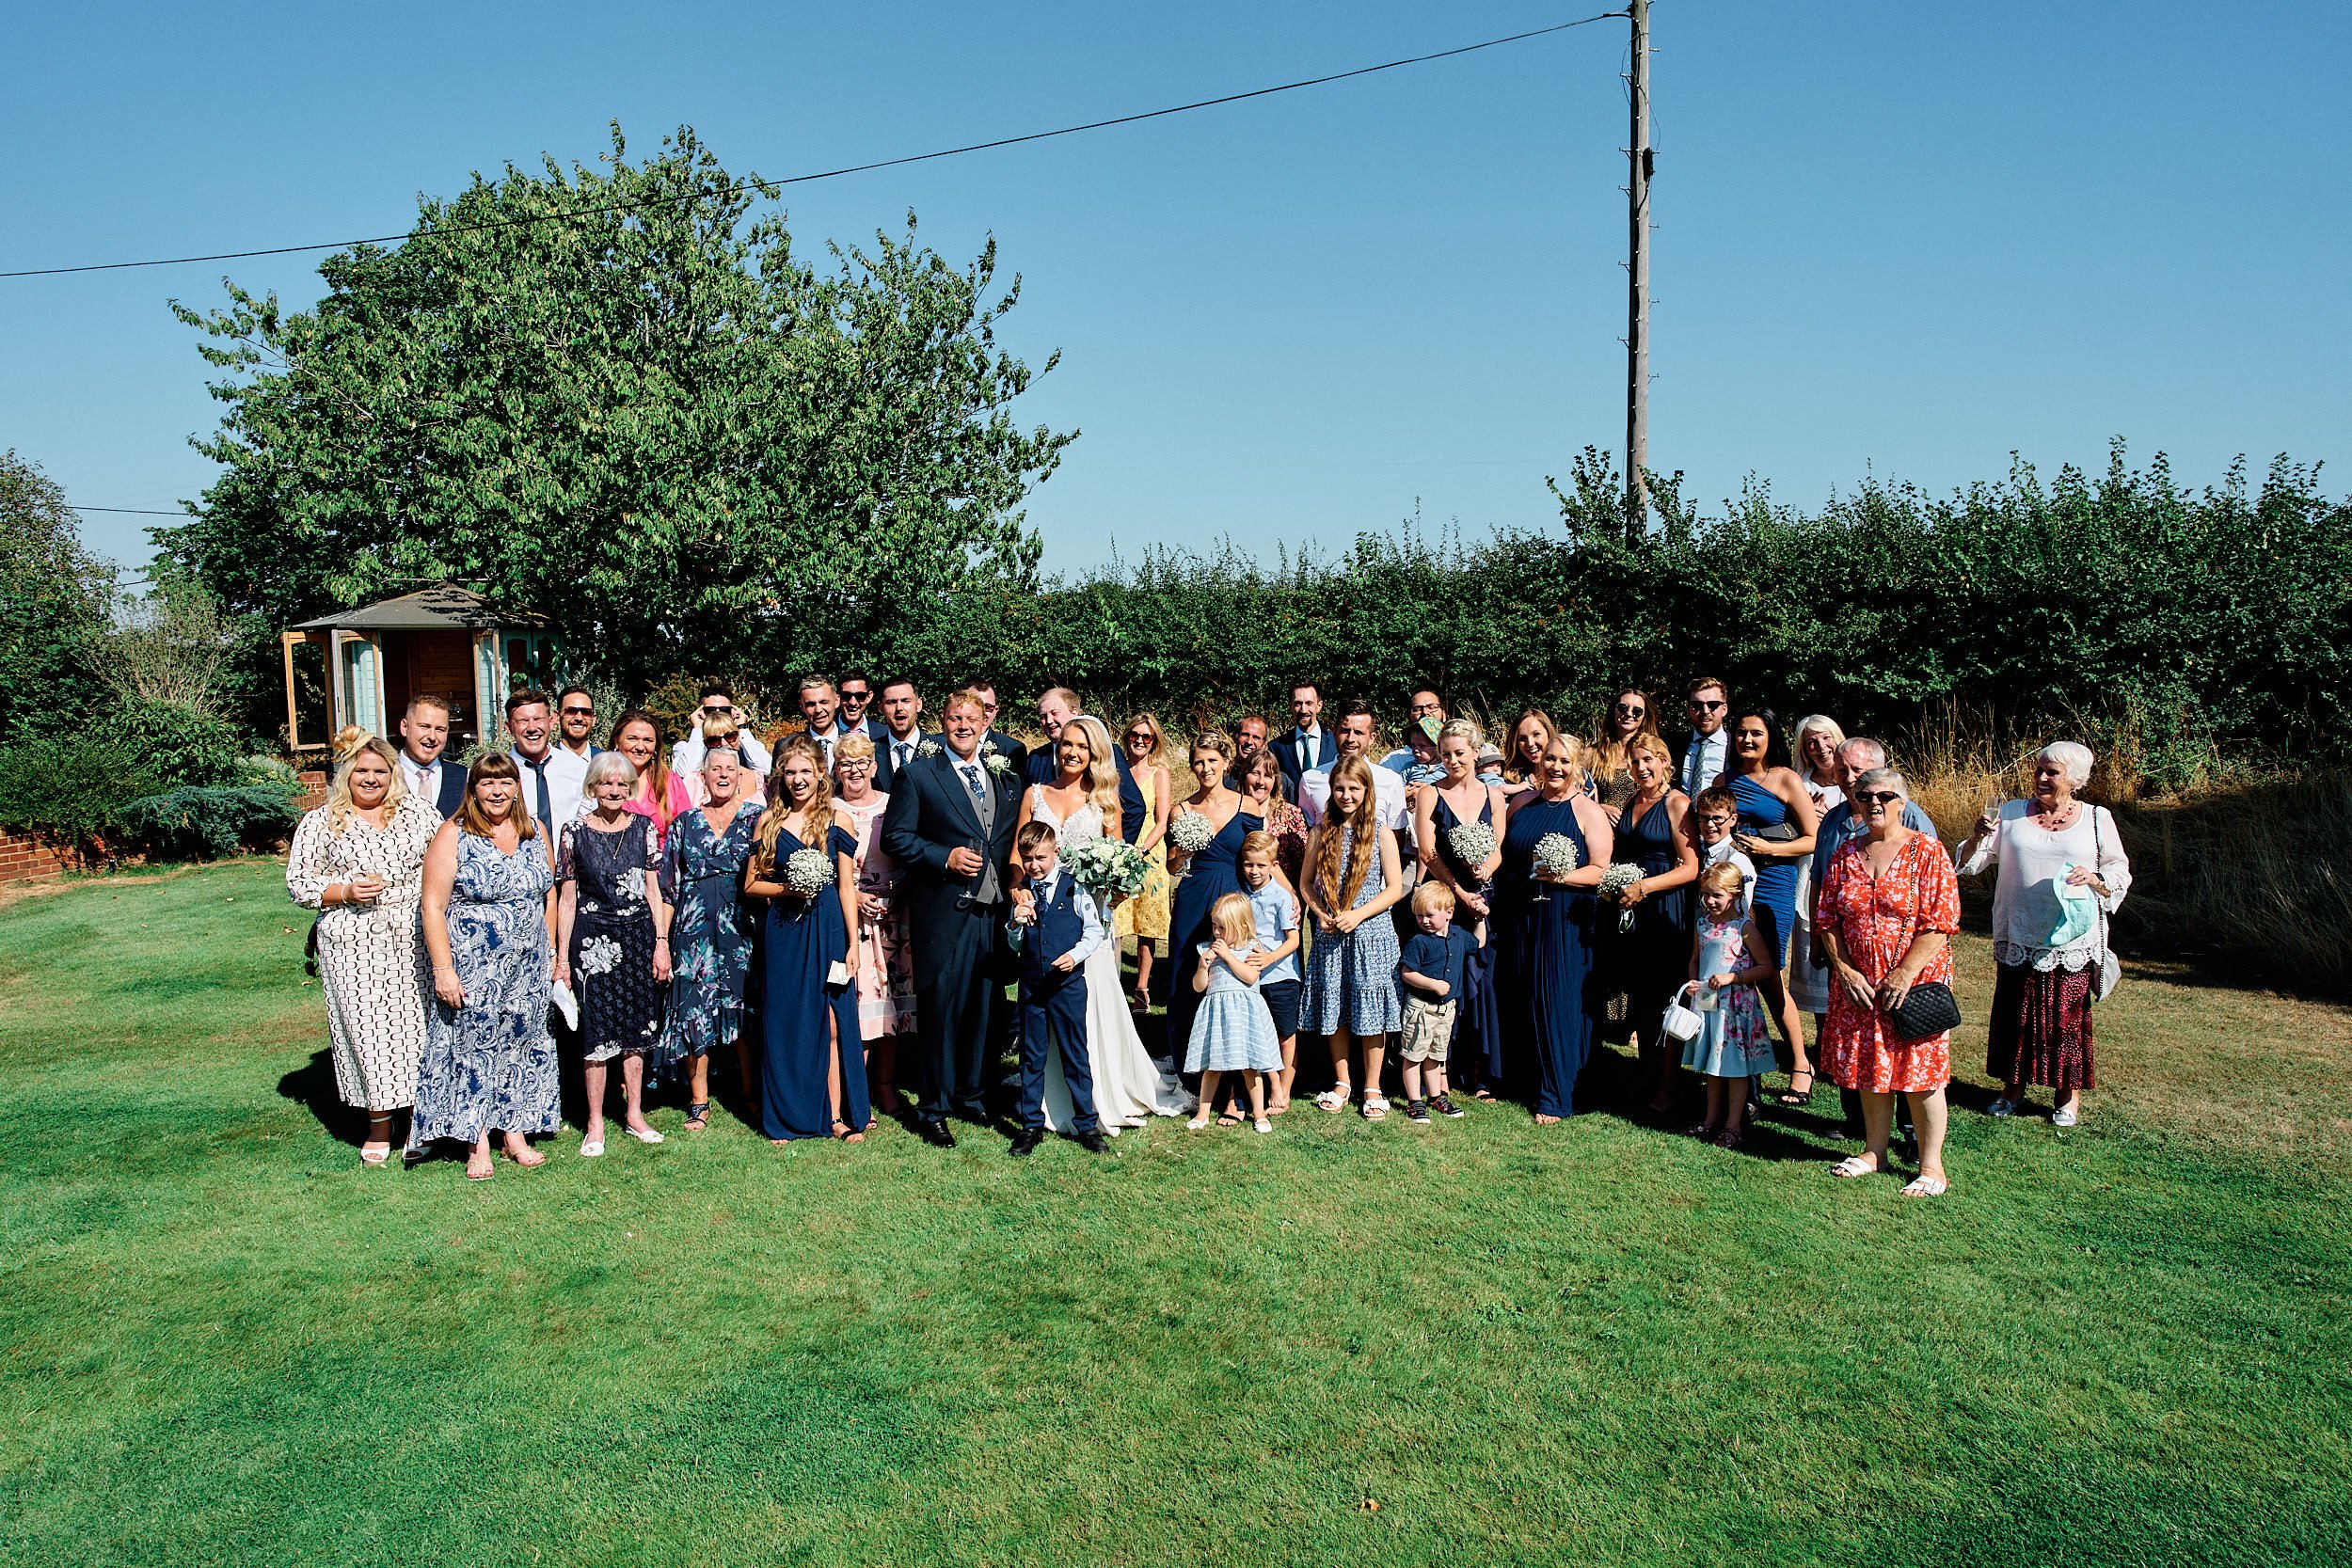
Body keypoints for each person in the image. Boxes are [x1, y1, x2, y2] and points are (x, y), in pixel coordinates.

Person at [1012, 717, 1190, 1132]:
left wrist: (1113, 893)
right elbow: (1017, 855)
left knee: (1091, 1004)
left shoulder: (1105, 801)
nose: (1072, 752)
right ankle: (1042, 1094)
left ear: (1095, 754)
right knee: (1043, 1002)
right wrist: (1019, 889)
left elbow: (1120, 860)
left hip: (1088, 919)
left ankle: (1098, 1092)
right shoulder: (1034, 793)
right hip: (1041, 919)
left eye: (1082, 746)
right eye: (1067, 744)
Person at [1953, 740, 2132, 1128]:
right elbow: (1971, 864)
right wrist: (1974, 835)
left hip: (2072, 935)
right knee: (2015, 1014)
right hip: (2019, 930)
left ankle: (2067, 1096)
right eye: (2039, 769)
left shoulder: (2097, 819)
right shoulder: (2012, 813)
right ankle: (2012, 1089)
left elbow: (2119, 870)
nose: (2042, 777)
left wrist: (2095, 878)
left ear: (2076, 779)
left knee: (2066, 1018)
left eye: (2052, 771)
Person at [284, 736, 441, 1164]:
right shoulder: (321, 822)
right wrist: (344, 891)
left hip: (413, 937)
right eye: (361, 771)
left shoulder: (420, 814)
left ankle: (418, 1120)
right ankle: (378, 1123)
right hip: (352, 941)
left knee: (414, 1028)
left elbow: (446, 864)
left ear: (392, 775)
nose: (370, 779)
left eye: (379, 771)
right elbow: (299, 883)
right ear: (346, 775)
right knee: (367, 1031)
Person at [880, 688, 1024, 1148]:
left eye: (971, 718)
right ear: (942, 722)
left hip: (991, 912)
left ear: (986, 724)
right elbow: (896, 838)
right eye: (954, 718)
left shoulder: (1004, 779)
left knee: (983, 1009)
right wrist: (944, 857)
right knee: (941, 1010)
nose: (963, 725)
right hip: (943, 913)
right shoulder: (919, 775)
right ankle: (934, 1106)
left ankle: (971, 1093)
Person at [412, 752, 561, 1180]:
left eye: (506, 782)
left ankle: (515, 1132)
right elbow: (433, 905)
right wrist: (443, 969)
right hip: (475, 963)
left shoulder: (536, 832)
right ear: (473, 789)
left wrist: (549, 951)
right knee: (473, 1047)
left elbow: (546, 894)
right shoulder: (453, 834)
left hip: (528, 965)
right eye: (487, 783)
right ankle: (476, 1139)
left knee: (522, 1044)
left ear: (517, 787)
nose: (497, 791)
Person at [1816, 768, 1960, 1196]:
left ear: (1903, 802)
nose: (1873, 802)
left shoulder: (1928, 852)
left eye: (1884, 795)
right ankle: (1874, 1151)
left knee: (1920, 1072)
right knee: (1869, 1068)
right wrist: (1845, 970)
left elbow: (1942, 921)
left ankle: (1932, 1167)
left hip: (1913, 983)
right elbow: (1827, 918)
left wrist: (1904, 973)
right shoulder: (1844, 854)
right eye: (1865, 795)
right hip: (1859, 984)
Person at [1806, 736, 1939, 1134]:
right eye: (1843, 771)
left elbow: (1935, 905)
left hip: (1903, 963)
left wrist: (1908, 967)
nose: (1849, 779)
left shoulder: (1912, 820)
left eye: (1858, 772)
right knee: (1854, 1038)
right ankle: (1859, 1124)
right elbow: (1821, 885)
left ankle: (1911, 1129)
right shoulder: (1833, 821)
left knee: (1906, 1043)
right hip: (1849, 956)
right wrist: (1824, 946)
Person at [744, 736, 866, 1143]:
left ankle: (835, 1115)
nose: (798, 780)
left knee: (832, 1023)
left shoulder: (838, 820)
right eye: (790, 772)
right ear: (782, 776)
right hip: (785, 932)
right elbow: (751, 885)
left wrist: (852, 943)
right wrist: (788, 891)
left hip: (829, 928)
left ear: (820, 775)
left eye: (805, 772)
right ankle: (785, 1116)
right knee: (786, 1021)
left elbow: (847, 887)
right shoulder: (769, 822)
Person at [553, 752, 671, 1157]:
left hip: (638, 936)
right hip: (592, 943)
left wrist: (661, 942)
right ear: (592, 787)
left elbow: (654, 890)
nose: (615, 791)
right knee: (596, 1032)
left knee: (636, 1031)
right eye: (606, 783)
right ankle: (595, 1122)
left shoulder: (645, 829)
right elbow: (567, 899)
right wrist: (562, 958)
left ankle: (635, 1114)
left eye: (622, 784)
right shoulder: (573, 832)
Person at [1497, 735, 1615, 1123]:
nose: (1555, 768)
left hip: (1565, 918)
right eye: (1550, 759)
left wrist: (1560, 876)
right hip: (1520, 914)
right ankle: (1525, 1080)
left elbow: (1600, 869)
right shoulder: (1521, 803)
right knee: (1523, 994)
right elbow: (1503, 853)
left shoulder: (1587, 812)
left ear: (1577, 766)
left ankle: (1558, 1093)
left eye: (1564, 761)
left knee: (1557, 999)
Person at [659, 736, 761, 1131]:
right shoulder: (685, 822)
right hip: (693, 929)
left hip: (742, 927)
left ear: (741, 777)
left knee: (745, 1010)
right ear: (703, 776)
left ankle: (751, 1095)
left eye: (730, 770)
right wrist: (663, 940)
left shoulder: (757, 818)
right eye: (715, 769)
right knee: (693, 1012)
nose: (723, 775)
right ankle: (699, 1101)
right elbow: (668, 885)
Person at [1300, 754, 1407, 1118]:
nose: (1346, 795)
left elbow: (1394, 889)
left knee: (1370, 1009)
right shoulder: (1320, 831)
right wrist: (1321, 915)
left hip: (1371, 931)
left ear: (1366, 790)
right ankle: (1342, 1081)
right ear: (1330, 790)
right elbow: (1305, 884)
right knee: (1337, 1005)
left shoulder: (1381, 833)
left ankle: (1373, 1085)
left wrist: (1357, 915)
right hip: (1331, 931)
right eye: (1339, 788)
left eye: (1354, 788)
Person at [1604, 732, 1701, 1111]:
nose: (1642, 768)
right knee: (1642, 996)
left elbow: (1692, 867)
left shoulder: (1677, 803)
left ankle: (1668, 1085)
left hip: (1666, 908)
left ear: (1665, 762)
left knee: (1666, 996)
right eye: (1635, 761)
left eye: (1649, 760)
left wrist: (1644, 887)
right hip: (1634, 911)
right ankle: (1647, 1074)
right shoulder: (1631, 801)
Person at [1724, 708, 1820, 1090]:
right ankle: (1744, 1062)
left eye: (1756, 734)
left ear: (1769, 738)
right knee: (1735, 967)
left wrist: (1769, 848)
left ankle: (1800, 1063)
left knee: (1769, 973)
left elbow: (1813, 837)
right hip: (1734, 881)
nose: (1748, 740)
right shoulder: (1723, 779)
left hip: (1775, 881)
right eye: (1742, 733)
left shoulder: (1785, 779)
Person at [1412, 720, 1507, 1101]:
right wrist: (1459, 893)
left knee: (1482, 980)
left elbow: (1499, 846)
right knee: (1447, 978)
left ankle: (1481, 1071)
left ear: (1475, 751)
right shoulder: (1429, 794)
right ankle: (1441, 1069)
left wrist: (1487, 870)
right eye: (1446, 754)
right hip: (1447, 901)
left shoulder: (1494, 795)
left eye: (1459, 753)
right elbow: (1426, 852)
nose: (1452, 761)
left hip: (1486, 898)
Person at [1006, 820, 1108, 1155]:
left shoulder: (1074, 887)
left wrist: (1075, 955)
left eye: (1041, 858)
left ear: (1056, 854)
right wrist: (1016, 923)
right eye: (1028, 859)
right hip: (1033, 987)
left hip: (1067, 986)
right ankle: (1030, 1124)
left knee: (1075, 1054)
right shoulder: (1024, 893)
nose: (1034, 866)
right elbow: (1015, 942)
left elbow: (1094, 931)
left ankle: (1087, 1124)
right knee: (1031, 1057)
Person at [1166, 731, 1260, 1063]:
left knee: (1232, 977)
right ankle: (1186, 1066)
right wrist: (1183, 853)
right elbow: (1172, 866)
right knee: (1185, 974)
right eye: (1198, 763)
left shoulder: (1246, 805)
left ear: (1226, 763)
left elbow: (1260, 856)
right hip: (1193, 896)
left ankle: (1234, 1068)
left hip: (1233, 900)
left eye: (1212, 761)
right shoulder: (1181, 810)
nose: (1205, 769)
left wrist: (1288, 892)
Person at [834, 732, 915, 1115]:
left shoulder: (891, 805)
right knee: (861, 1003)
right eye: (846, 764)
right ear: (836, 770)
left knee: (892, 1005)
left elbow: (909, 853)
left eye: (861, 763)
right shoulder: (829, 809)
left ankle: (885, 1086)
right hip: (851, 918)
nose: (855, 771)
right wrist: (853, 895)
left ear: (874, 766)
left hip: (896, 916)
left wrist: (897, 888)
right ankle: (856, 1089)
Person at [1679, 861, 1780, 1148]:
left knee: (1735, 1066)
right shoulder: (1702, 925)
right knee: (1713, 1063)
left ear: (1735, 895)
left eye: (1717, 896)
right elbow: (1696, 961)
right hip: (1709, 1004)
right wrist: (1693, 982)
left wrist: (1733, 977)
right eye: (1706, 895)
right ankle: (1710, 1119)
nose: (1710, 901)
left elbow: (1765, 966)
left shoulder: (1743, 927)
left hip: (1736, 1007)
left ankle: (1733, 1125)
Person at [1183, 891, 1283, 1134]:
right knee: (1212, 1067)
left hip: (1244, 1017)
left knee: (1251, 1068)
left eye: (1223, 928)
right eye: (1215, 927)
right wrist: (1202, 966)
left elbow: (1250, 977)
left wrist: (1227, 956)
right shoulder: (1207, 950)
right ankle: (1202, 1113)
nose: (1217, 933)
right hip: (1218, 1015)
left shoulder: (1252, 949)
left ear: (1241, 926)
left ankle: (1258, 1114)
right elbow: (1198, 987)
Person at [1784, 714, 1850, 1031]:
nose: (1820, 747)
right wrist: (1807, 822)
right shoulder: (1800, 783)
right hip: (1810, 880)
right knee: (1816, 958)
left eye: (1825, 738)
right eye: (1811, 741)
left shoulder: (1856, 780)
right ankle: (1824, 1038)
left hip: (1850, 881)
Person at [1396, 881, 1476, 1124]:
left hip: (1446, 1010)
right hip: (1421, 1008)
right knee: (1413, 1054)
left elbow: (1478, 943)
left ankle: (1435, 1096)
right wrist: (1433, 984)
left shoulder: (1458, 935)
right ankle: (1414, 1101)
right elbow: (1407, 973)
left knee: (1436, 1055)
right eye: (1419, 916)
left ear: (1449, 912)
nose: (1424, 921)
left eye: (1429, 915)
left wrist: (1481, 919)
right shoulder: (1419, 942)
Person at [1238, 831, 1303, 1113]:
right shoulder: (1240, 895)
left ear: (1273, 865)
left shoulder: (1281, 897)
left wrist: (1269, 958)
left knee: (1284, 1034)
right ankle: (1259, 1087)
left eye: (1261, 866)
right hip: (1250, 978)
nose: (1254, 871)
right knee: (1254, 1033)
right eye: (1249, 864)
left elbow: (1294, 940)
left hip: (1280, 976)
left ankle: (1285, 1089)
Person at [1118, 712, 1175, 1008]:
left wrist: (1141, 850)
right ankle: (1112, 984)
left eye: (1146, 737)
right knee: (1117, 917)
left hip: (1149, 853)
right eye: (1134, 735)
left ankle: (1141, 988)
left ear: (1154, 741)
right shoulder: (1117, 768)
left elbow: (1162, 821)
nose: (1139, 741)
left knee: (1146, 923)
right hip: (1119, 850)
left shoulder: (1159, 772)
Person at [1298, 703, 1409, 839]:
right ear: (1334, 733)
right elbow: (1308, 836)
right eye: (1345, 731)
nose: (1350, 739)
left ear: (1371, 738)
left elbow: (1397, 842)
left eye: (1358, 733)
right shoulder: (1310, 780)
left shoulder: (1390, 781)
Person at [606, 709, 695, 848]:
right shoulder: (603, 783)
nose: (640, 747)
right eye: (632, 739)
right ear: (616, 741)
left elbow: (688, 832)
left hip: (665, 866)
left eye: (647, 740)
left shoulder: (671, 782)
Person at [507, 689, 589, 838]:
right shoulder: (499, 775)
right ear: (509, 727)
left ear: (552, 721)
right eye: (523, 721)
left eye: (538, 719)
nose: (532, 728)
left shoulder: (579, 770)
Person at [672, 681, 775, 784]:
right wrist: (698, 729)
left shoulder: (747, 746)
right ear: (700, 712)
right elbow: (684, 775)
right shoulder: (685, 748)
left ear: (733, 712)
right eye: (710, 710)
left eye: (724, 710)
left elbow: (768, 770)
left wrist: (742, 728)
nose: (718, 714)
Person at [1591, 689, 1661, 822]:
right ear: (1614, 711)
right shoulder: (1592, 754)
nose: (1629, 714)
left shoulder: (1655, 754)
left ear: (1645, 717)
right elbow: (1574, 794)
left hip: (1642, 829)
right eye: (1623, 708)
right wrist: (1598, 807)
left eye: (1637, 711)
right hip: (1603, 830)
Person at [394, 695, 469, 817]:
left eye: (440, 729)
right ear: (404, 727)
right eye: (424, 727)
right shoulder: (382, 775)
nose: (432, 737)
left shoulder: (464, 777)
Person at [1690, 786, 1758, 912]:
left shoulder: (1737, 859)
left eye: (1717, 818)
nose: (1710, 825)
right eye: (1704, 818)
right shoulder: (1698, 851)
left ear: (1732, 820)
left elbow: (1742, 909)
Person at [871, 676, 931, 795]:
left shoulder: (943, 750)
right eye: (892, 702)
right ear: (881, 708)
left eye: (905, 701)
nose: (899, 708)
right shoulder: (870, 752)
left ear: (918, 704)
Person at [1276, 679, 1338, 795]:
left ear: (1319, 706)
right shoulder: (1277, 747)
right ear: (1291, 706)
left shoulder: (1336, 744)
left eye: (1309, 703)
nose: (1303, 710)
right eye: (1298, 704)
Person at [1678, 677, 1732, 798]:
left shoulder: (1737, 748)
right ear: (1689, 710)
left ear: (1724, 709)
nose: (1705, 711)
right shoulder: (1674, 745)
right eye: (1697, 705)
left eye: (1713, 705)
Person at [1378, 689, 1447, 774]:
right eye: (1417, 709)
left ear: (1444, 714)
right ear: (1409, 717)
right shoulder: (1393, 761)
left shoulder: (1459, 756)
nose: (1425, 712)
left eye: (1432, 707)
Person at [963, 680, 1027, 768]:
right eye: (974, 705)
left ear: (995, 711)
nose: (981, 713)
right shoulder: (940, 744)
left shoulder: (1013, 750)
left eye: (988, 707)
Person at [1502, 709, 1558, 800]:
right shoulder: (1508, 777)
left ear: (1548, 733)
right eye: (1522, 738)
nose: (1530, 743)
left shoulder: (1573, 774)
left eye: (1536, 734)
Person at [554, 687, 604, 766]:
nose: (579, 718)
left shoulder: (606, 762)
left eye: (586, 712)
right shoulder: (546, 764)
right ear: (557, 717)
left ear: (593, 719)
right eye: (571, 711)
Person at [836, 672, 887, 743]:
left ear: (869, 697)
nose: (853, 702)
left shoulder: (884, 733)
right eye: (846, 695)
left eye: (860, 696)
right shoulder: (825, 734)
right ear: (837, 697)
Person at [1225, 713, 1271, 790]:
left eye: (1256, 737)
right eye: (1245, 735)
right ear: (1236, 738)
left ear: (1264, 745)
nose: (1249, 742)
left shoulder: (1279, 780)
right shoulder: (1222, 776)